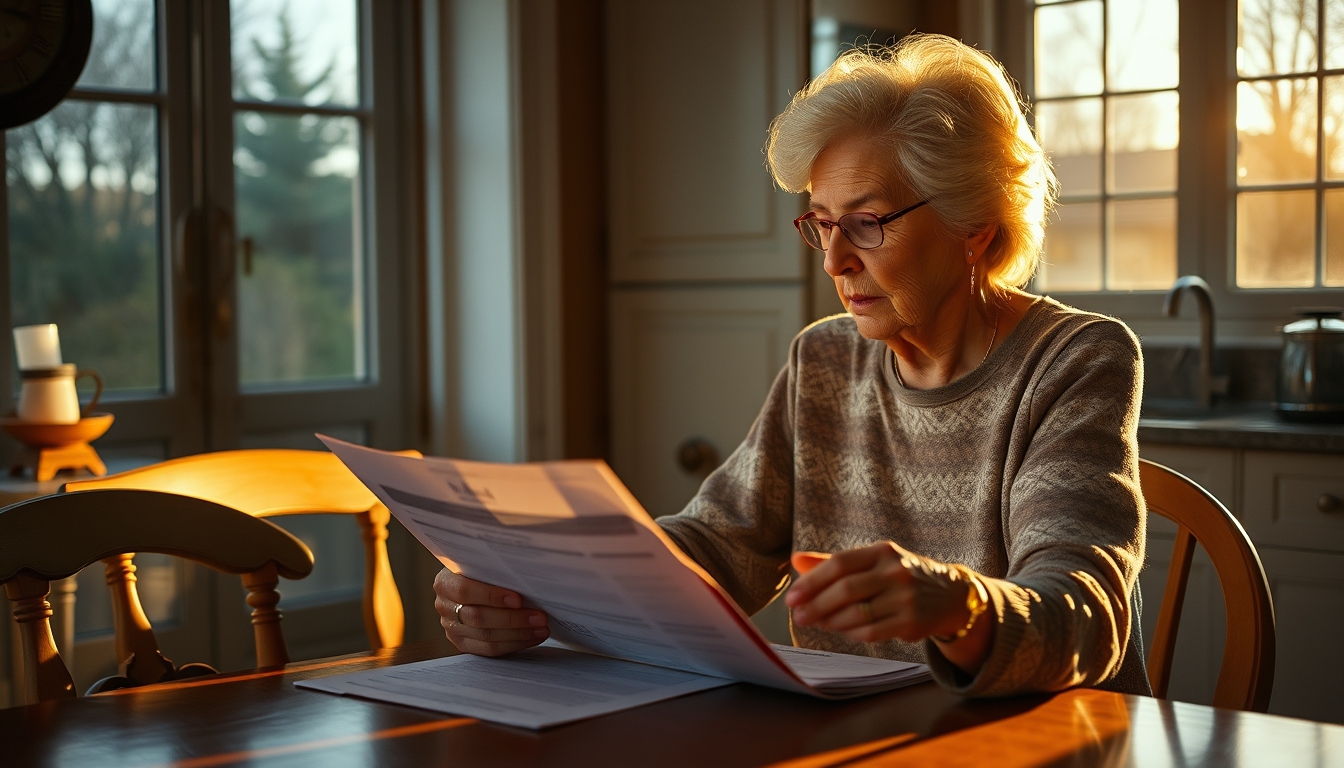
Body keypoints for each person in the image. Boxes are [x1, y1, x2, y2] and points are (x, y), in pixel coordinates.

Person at [434, 33, 1150, 698]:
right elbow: (721, 544)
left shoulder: (1076, 359)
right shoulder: (826, 357)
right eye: (822, 223)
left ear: (975, 228)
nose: (836, 261)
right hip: (852, 739)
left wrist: (959, 606)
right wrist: (532, 588)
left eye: (868, 223)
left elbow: (1084, 613)